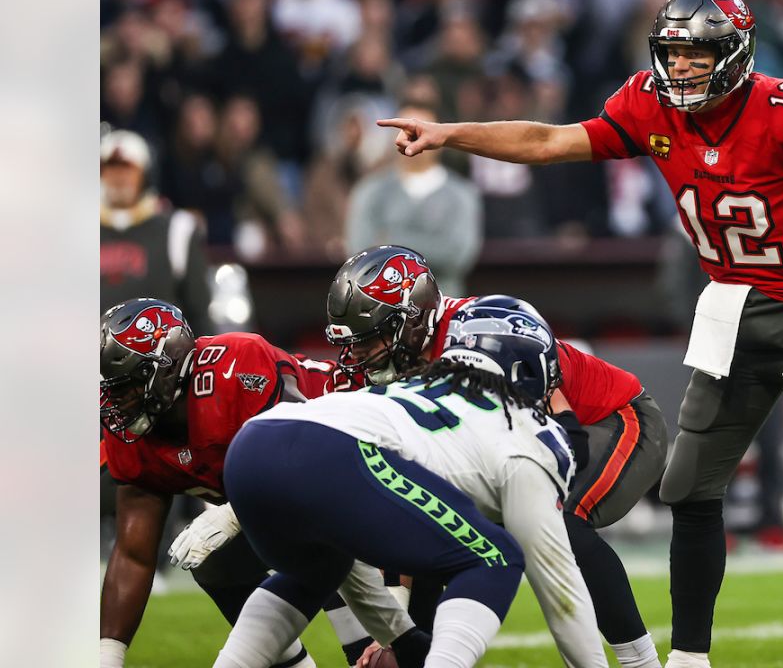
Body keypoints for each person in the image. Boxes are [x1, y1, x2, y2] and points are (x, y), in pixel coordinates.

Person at [376, 0, 783, 668]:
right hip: (733, 307)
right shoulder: (650, 105)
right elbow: (547, 139)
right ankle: (688, 657)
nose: (679, 68)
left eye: (696, 54)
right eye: (672, 53)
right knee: (688, 487)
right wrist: (451, 134)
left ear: (735, 53)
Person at [325, 246, 668, 668]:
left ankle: (640, 662)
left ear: (413, 319)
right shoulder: (388, 366)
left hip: (609, 420)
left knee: (555, 520)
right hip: (521, 442)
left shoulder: (480, 333)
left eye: (371, 337)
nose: (358, 356)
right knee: (434, 531)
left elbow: (558, 418)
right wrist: (396, 631)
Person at [216, 306, 607, 668]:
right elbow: (561, 591)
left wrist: (402, 639)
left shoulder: (418, 384)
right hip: (333, 453)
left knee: (321, 566)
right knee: (496, 557)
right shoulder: (528, 436)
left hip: (254, 443)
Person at [99, 298, 397, 668]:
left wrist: (234, 514)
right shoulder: (131, 431)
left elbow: (302, 462)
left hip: (363, 475)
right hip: (292, 509)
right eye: (109, 389)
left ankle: (366, 648)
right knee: (215, 560)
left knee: (382, 657)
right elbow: (133, 554)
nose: (114, 402)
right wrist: (107, 655)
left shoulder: (235, 368)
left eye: (124, 386)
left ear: (165, 371)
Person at [345, 100, 482, 297]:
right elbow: (359, 255)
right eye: (404, 131)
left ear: (440, 139)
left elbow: (458, 256)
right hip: (381, 314)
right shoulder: (369, 191)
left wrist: (387, 240)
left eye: (419, 132)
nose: (412, 139)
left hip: (444, 309)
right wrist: (433, 246)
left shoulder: (462, 194)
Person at [100, 129, 212, 335]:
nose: (119, 178)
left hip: (160, 361)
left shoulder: (178, 230)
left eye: (127, 169)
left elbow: (200, 315)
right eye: (111, 169)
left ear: (146, 174)